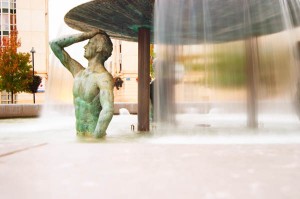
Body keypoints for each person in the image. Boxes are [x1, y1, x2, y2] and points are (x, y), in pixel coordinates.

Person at [49, 30, 114, 138]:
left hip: (93, 138)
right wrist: (86, 35)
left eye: (89, 43)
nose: (84, 46)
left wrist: (96, 139)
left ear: (99, 48)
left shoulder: (103, 77)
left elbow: (107, 110)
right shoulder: (78, 72)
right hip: (79, 137)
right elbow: (54, 44)